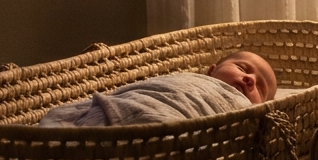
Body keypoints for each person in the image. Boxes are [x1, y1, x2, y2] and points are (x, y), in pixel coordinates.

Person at [39, 50, 277, 127]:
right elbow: (152, 89)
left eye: (260, 87)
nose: (250, 79)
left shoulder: (243, 114)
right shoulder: (188, 79)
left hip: (164, 124)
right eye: (242, 67)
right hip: (133, 102)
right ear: (211, 71)